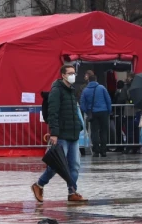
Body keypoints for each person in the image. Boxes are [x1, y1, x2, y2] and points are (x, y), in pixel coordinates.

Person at [32, 64, 86, 201]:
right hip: (62, 135)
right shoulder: (57, 90)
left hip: (73, 134)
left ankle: (72, 192)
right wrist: (54, 133)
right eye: (70, 73)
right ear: (63, 75)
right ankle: (39, 184)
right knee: (57, 165)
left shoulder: (71, 90)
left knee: (74, 165)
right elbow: (53, 113)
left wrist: (79, 125)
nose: (73, 75)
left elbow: (74, 111)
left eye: (74, 73)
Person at [79, 70, 113, 158]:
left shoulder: (85, 90)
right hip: (103, 112)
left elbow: (82, 103)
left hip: (93, 113)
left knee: (94, 132)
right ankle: (104, 151)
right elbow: (108, 100)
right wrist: (109, 111)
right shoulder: (102, 88)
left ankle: (96, 151)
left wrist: (87, 111)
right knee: (104, 131)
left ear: (89, 80)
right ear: (96, 79)